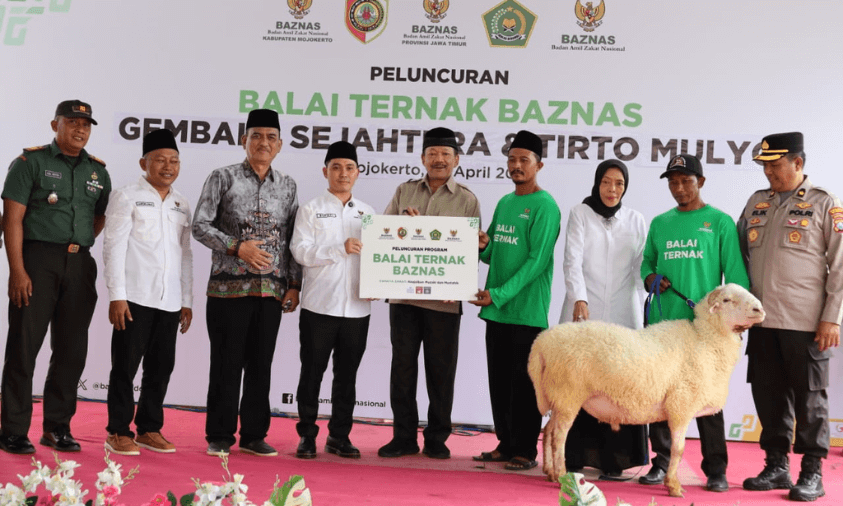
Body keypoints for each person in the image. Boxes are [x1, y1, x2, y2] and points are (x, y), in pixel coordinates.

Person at [0, 100, 111, 455]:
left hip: (80, 264)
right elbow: (11, 220)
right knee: (23, 347)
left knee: (71, 350)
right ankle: (13, 430)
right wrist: (18, 270)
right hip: (37, 261)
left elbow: (98, 217)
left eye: (86, 124)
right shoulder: (29, 163)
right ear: (55, 125)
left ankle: (57, 427)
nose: (80, 129)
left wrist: (77, 244)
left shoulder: (98, 172)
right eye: (72, 122)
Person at [738, 132, 842, 502]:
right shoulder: (756, 203)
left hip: (806, 323)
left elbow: (840, 264)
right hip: (762, 321)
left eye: (775, 165)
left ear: (797, 163)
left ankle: (812, 472)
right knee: (768, 396)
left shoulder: (824, 203)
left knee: (810, 400)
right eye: (764, 165)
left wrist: (832, 317)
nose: (768, 172)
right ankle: (776, 466)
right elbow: (739, 258)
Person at [192, 108, 302, 457]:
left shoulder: (288, 185)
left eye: (271, 137)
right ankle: (220, 435)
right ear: (244, 140)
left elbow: (291, 238)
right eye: (256, 136)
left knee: (260, 365)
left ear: (280, 144)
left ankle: (254, 435)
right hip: (227, 290)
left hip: (271, 291)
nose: (263, 142)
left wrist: (294, 283)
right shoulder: (222, 177)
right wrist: (237, 247)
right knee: (226, 364)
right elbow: (200, 225)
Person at [638, 154, 749, 493]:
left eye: (686, 181)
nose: (679, 188)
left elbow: (737, 277)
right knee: (660, 395)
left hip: (705, 332)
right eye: (673, 182)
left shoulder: (719, 222)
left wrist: (738, 319)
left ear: (700, 182)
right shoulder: (660, 223)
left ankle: (716, 469)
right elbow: (646, 264)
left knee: (708, 399)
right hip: (663, 327)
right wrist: (651, 278)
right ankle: (661, 462)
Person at [377, 127, 481, 460]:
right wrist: (403, 227)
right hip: (404, 299)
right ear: (422, 158)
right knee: (402, 370)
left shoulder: (467, 199)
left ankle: (437, 438)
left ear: (456, 160)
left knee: (441, 373)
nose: (439, 160)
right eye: (432, 153)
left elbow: (471, 251)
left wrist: (460, 283)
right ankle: (403, 437)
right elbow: (382, 235)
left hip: (444, 304)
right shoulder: (404, 191)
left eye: (445, 154)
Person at [470, 130, 561, 471]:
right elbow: (493, 251)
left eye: (524, 160)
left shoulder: (546, 206)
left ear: (539, 165)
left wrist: (498, 294)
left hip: (526, 313)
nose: (517, 166)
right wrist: (483, 245)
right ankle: (505, 443)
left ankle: (525, 449)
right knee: (500, 383)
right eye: (512, 159)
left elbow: (536, 262)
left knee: (525, 386)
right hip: (496, 311)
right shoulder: (506, 203)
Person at [102, 129, 193, 456]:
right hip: (134, 298)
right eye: (160, 160)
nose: (168, 167)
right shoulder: (126, 196)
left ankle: (149, 429)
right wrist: (117, 295)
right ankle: (118, 431)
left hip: (169, 301)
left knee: (160, 367)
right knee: (124, 368)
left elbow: (185, 254)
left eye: (174, 161)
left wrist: (186, 300)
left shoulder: (181, 203)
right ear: (144, 163)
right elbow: (113, 247)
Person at [559, 159, 648, 480]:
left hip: (624, 311)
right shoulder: (580, 213)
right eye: (606, 182)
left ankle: (615, 459)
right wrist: (579, 297)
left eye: (619, 184)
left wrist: (649, 290)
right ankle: (574, 455)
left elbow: (641, 267)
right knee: (580, 383)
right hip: (586, 309)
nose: (612, 189)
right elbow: (572, 260)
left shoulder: (636, 219)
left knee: (618, 386)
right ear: (597, 183)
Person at [290, 141, 375, 459]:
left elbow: (379, 257)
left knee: (347, 377)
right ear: (325, 171)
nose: (343, 173)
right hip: (319, 307)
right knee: (311, 374)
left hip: (357, 308)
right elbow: (300, 252)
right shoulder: (310, 209)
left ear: (358, 173)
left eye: (349, 167)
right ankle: (306, 435)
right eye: (336, 167)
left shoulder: (368, 213)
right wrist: (339, 248)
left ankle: (339, 436)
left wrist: (379, 281)